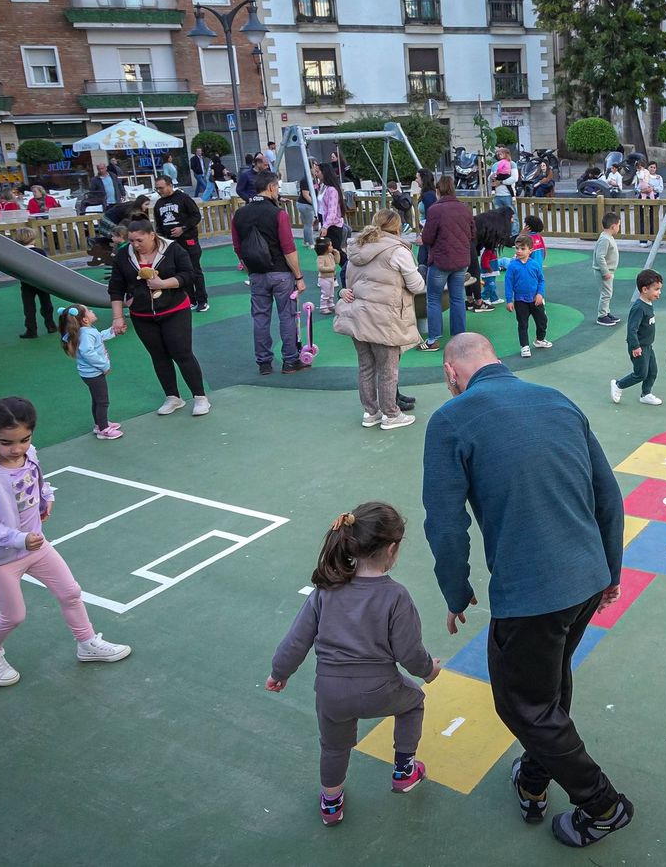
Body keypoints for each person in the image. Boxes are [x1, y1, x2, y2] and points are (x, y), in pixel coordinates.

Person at [423, 332, 633, 847]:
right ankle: (535, 780)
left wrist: (456, 591)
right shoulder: (557, 400)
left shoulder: (450, 419)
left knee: (523, 705)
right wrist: (611, 571)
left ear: (452, 373)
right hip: (586, 578)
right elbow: (608, 495)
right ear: (495, 359)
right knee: (550, 686)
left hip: (531, 592)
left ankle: (603, 804)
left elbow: (445, 523)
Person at [267, 503, 442, 826]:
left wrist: (279, 673)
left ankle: (331, 804)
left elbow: (296, 639)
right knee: (413, 703)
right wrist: (429, 670)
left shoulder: (325, 590)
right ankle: (404, 771)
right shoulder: (396, 596)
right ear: (392, 549)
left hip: (332, 692)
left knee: (333, 746)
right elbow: (409, 652)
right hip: (381, 688)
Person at [0, 397, 132, 687]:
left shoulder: (30, 454)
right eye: (7, 443)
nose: (18, 449)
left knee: (71, 592)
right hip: (1, 559)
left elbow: (38, 482)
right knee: (13, 616)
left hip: (35, 547)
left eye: (24, 439)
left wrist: (46, 498)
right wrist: (21, 539)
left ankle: (86, 643)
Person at [109, 220, 210, 416]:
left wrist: (163, 284)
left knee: (182, 353)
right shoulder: (124, 255)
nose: (135, 245)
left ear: (152, 235)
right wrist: (117, 317)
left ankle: (200, 397)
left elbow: (189, 275)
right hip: (142, 314)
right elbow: (116, 287)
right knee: (158, 356)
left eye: (139, 240)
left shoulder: (173, 249)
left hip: (174, 310)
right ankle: (172, 397)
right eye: (131, 241)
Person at [337, 209, 425, 429]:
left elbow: (348, 281)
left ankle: (371, 412)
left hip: (358, 315)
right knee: (388, 368)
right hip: (384, 317)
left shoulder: (356, 248)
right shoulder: (397, 251)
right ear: (396, 227)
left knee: (366, 366)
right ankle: (391, 414)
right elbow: (417, 285)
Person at [233, 171, 308, 375]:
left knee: (260, 317)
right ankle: (290, 360)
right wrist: (299, 276)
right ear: (272, 187)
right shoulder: (278, 214)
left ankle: (264, 362)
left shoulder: (240, 214)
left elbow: (238, 246)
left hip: (257, 273)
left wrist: (250, 268)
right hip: (281, 272)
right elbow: (288, 247)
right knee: (287, 316)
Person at [417, 176, 475, 351]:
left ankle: (433, 339)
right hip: (461, 260)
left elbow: (428, 237)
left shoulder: (435, 210)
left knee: (433, 299)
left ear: (438, 190)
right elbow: (472, 233)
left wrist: (423, 237)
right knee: (457, 298)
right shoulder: (464, 209)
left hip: (441, 260)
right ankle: (459, 337)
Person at [56, 304, 121, 440]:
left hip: (88, 374)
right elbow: (88, 352)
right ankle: (103, 429)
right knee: (102, 401)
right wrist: (104, 366)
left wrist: (113, 331)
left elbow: (98, 337)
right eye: (89, 311)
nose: (92, 311)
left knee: (97, 400)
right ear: (85, 319)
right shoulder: (86, 333)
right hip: (94, 374)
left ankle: (99, 424)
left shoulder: (86, 331)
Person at [153, 175, 208, 312]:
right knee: (181, 272)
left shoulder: (183, 198)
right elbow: (159, 225)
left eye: (161, 187)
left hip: (188, 240)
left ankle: (202, 300)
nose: (159, 191)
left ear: (170, 185)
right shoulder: (159, 204)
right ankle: (190, 299)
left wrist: (183, 228)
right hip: (171, 244)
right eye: (157, 188)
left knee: (194, 270)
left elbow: (196, 216)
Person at [610, 268, 663, 406]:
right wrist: (635, 346)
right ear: (645, 290)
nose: (659, 293)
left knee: (652, 371)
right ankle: (618, 385)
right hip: (639, 347)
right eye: (656, 289)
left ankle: (646, 394)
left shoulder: (648, 303)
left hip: (648, 345)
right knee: (640, 373)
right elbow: (631, 329)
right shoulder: (639, 307)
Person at [505, 233, 550, 359]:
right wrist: (509, 300)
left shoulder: (535, 264)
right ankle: (524, 346)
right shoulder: (512, 266)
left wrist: (540, 294)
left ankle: (540, 339)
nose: (519, 251)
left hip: (536, 299)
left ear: (531, 250)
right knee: (523, 324)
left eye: (522, 248)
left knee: (542, 321)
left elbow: (541, 280)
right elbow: (508, 284)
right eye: (517, 248)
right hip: (520, 301)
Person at [8, 227, 56, 339]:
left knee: (29, 307)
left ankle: (31, 330)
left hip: (26, 284)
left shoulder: (18, 253)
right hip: (42, 282)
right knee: (46, 304)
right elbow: (47, 266)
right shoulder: (40, 251)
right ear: (33, 239)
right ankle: (50, 325)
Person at [591, 212, 622, 327]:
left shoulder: (608, 237)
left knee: (608, 293)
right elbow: (600, 256)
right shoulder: (605, 239)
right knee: (606, 294)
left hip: (609, 271)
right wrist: (605, 272)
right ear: (613, 226)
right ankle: (602, 316)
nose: (619, 228)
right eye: (619, 225)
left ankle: (606, 312)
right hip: (604, 271)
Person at [314, 161, 347, 256]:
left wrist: (325, 226)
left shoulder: (332, 190)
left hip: (332, 225)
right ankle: (325, 268)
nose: (316, 174)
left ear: (324, 173)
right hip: (323, 221)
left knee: (335, 250)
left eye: (318, 172)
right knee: (323, 249)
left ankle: (347, 267)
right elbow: (321, 205)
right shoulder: (323, 187)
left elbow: (332, 211)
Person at [314, 236, 340, 314]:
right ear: (325, 248)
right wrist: (331, 268)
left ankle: (330, 304)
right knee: (326, 293)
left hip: (331, 277)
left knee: (331, 292)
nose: (332, 247)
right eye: (330, 246)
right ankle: (323, 307)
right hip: (324, 278)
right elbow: (320, 268)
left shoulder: (330, 255)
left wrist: (337, 253)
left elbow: (337, 261)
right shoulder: (321, 258)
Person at [297, 170, 318, 247]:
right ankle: (311, 243)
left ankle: (306, 242)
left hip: (305, 204)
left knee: (306, 224)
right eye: (314, 166)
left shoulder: (314, 179)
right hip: (305, 204)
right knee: (309, 224)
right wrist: (314, 204)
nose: (316, 169)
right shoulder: (305, 180)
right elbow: (306, 195)